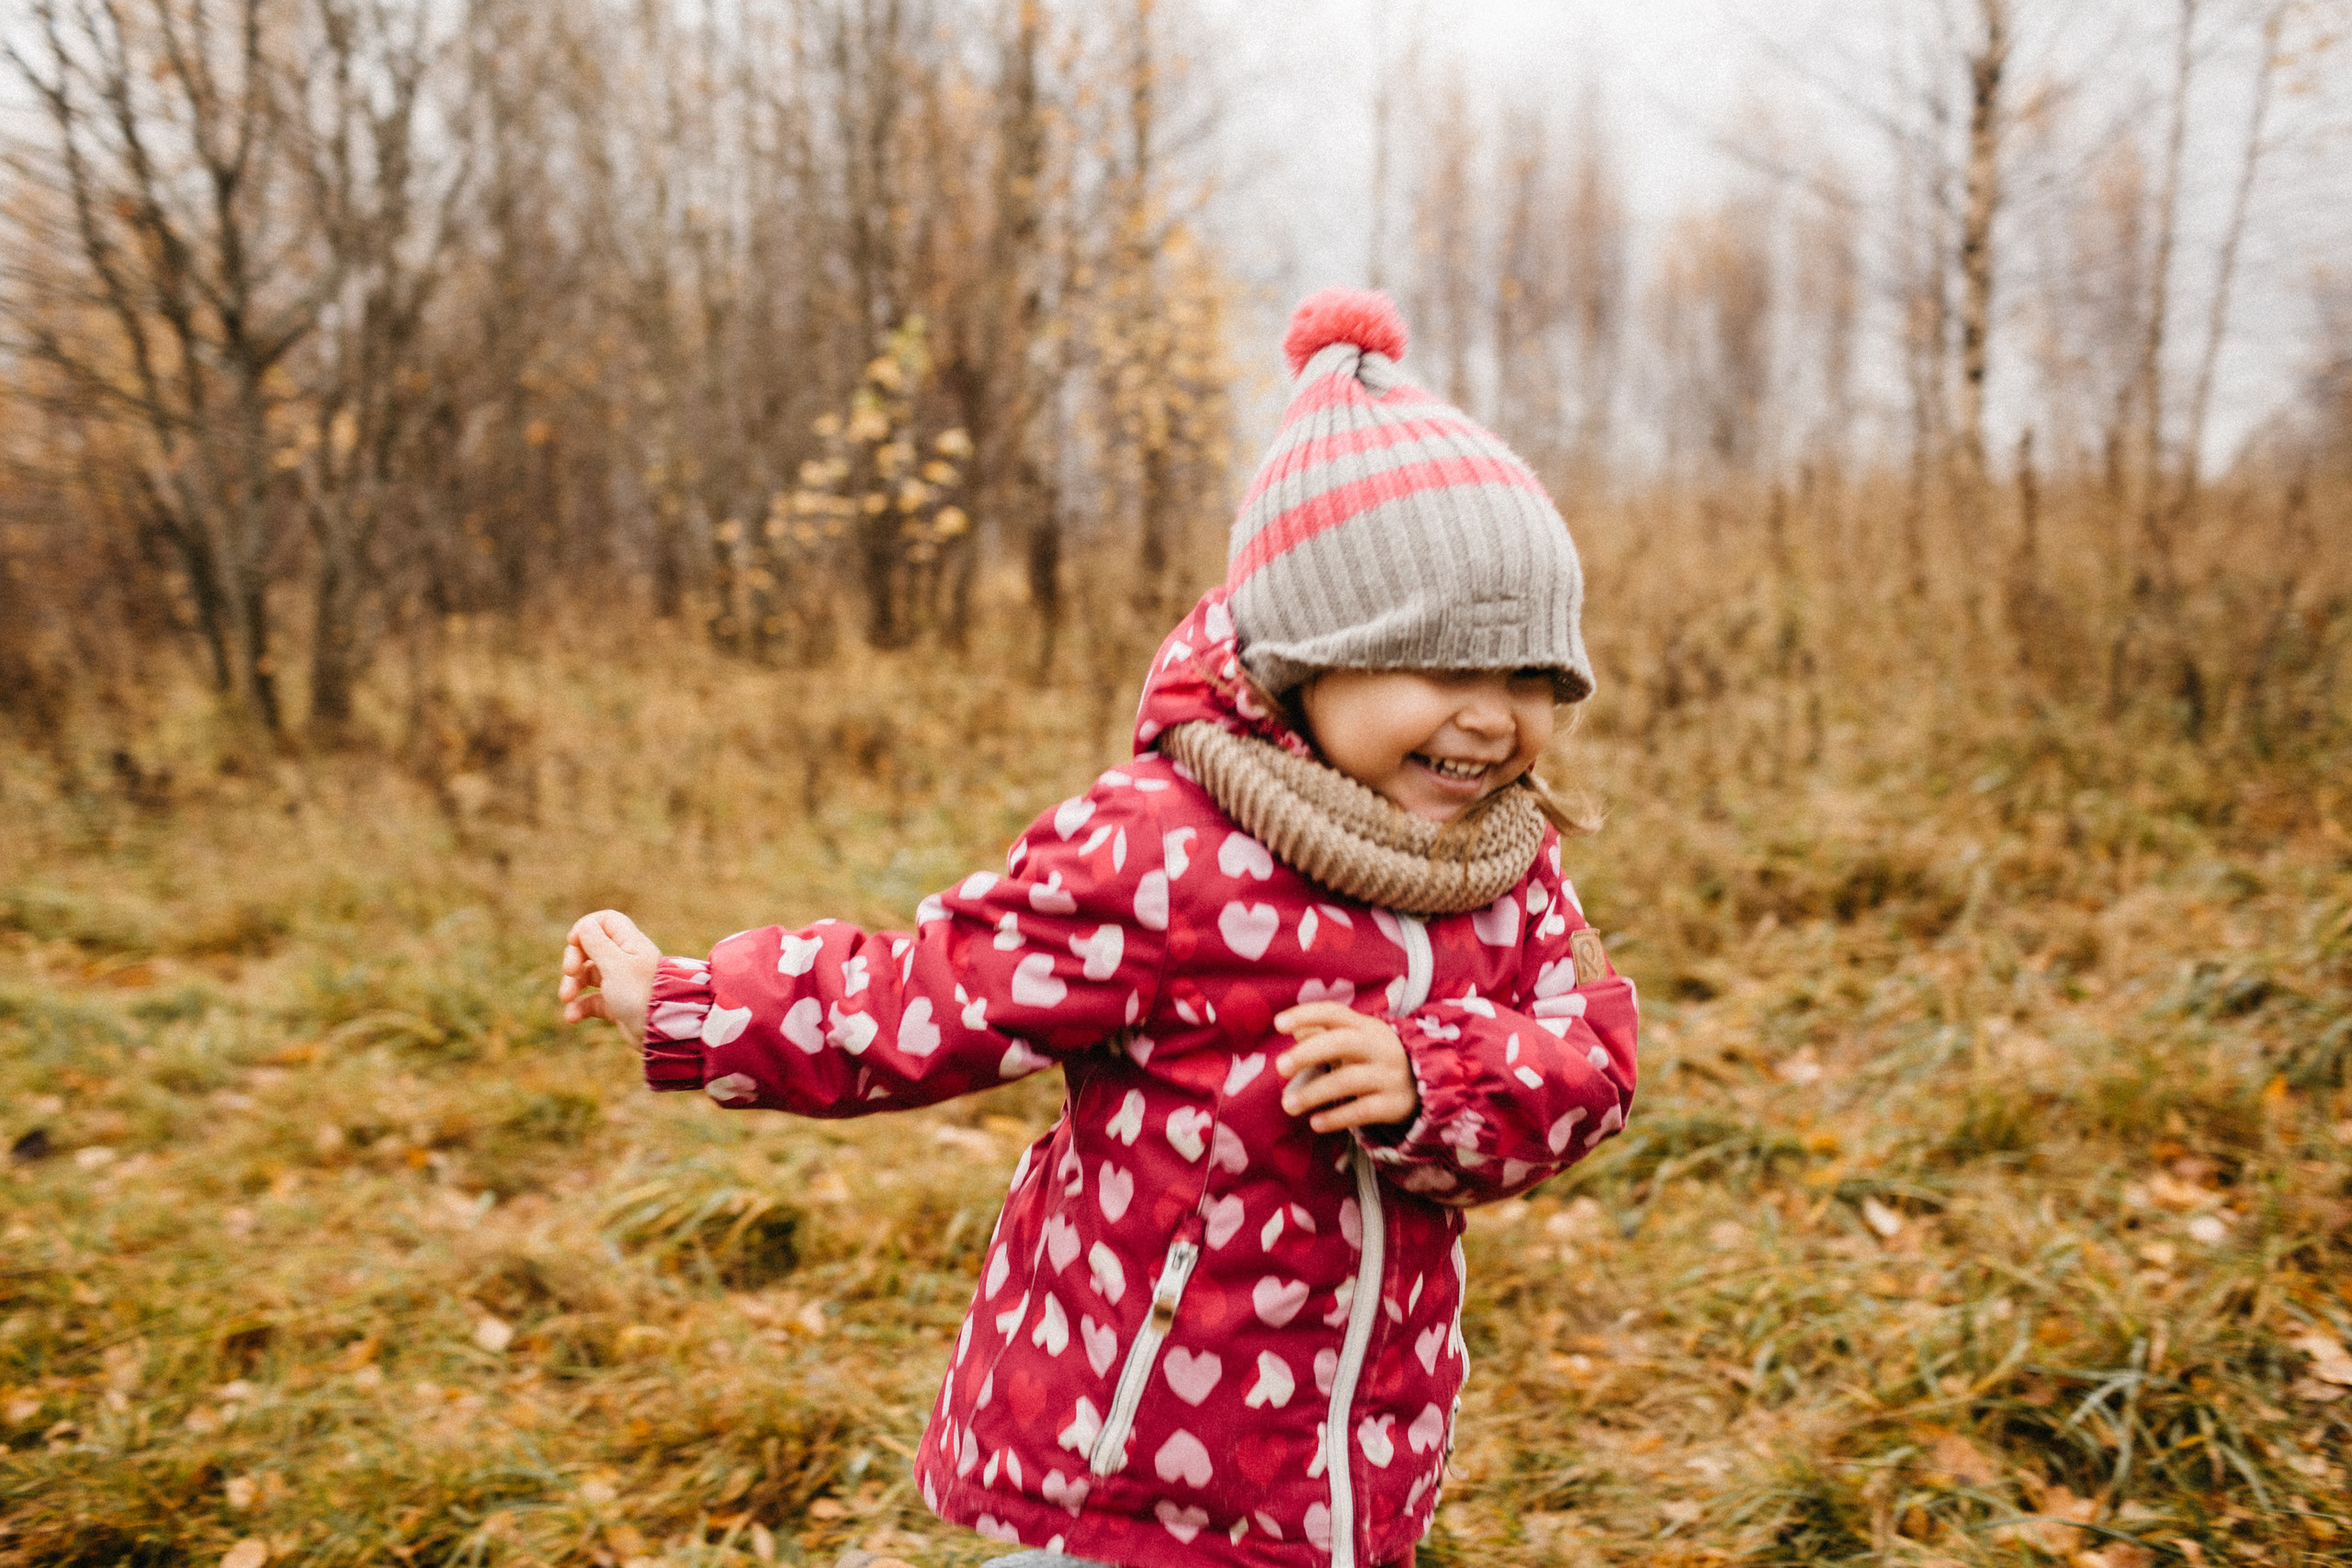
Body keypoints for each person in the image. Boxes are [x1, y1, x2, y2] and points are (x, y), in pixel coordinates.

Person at [560, 288, 1638, 1568]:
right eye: (1446, 670)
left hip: (1356, 1464)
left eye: (1529, 678)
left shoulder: (1509, 866)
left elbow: (1590, 1064)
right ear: (1311, 660)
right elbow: (925, 999)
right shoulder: (1166, 850)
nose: (1491, 718)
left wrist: (1435, 1080)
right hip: (1136, 1451)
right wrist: (689, 1006)